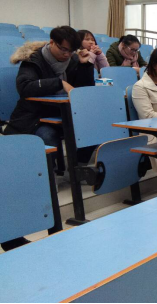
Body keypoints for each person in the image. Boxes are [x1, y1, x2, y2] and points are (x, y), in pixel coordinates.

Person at [2, 26, 95, 253]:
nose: (66, 54)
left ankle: (77, 170)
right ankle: (45, 183)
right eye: (63, 49)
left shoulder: (72, 60)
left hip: (60, 116)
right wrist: (58, 83)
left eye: (70, 51)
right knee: (48, 138)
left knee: (91, 130)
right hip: (32, 119)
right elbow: (25, 88)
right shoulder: (33, 61)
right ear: (51, 42)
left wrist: (85, 65)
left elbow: (82, 89)